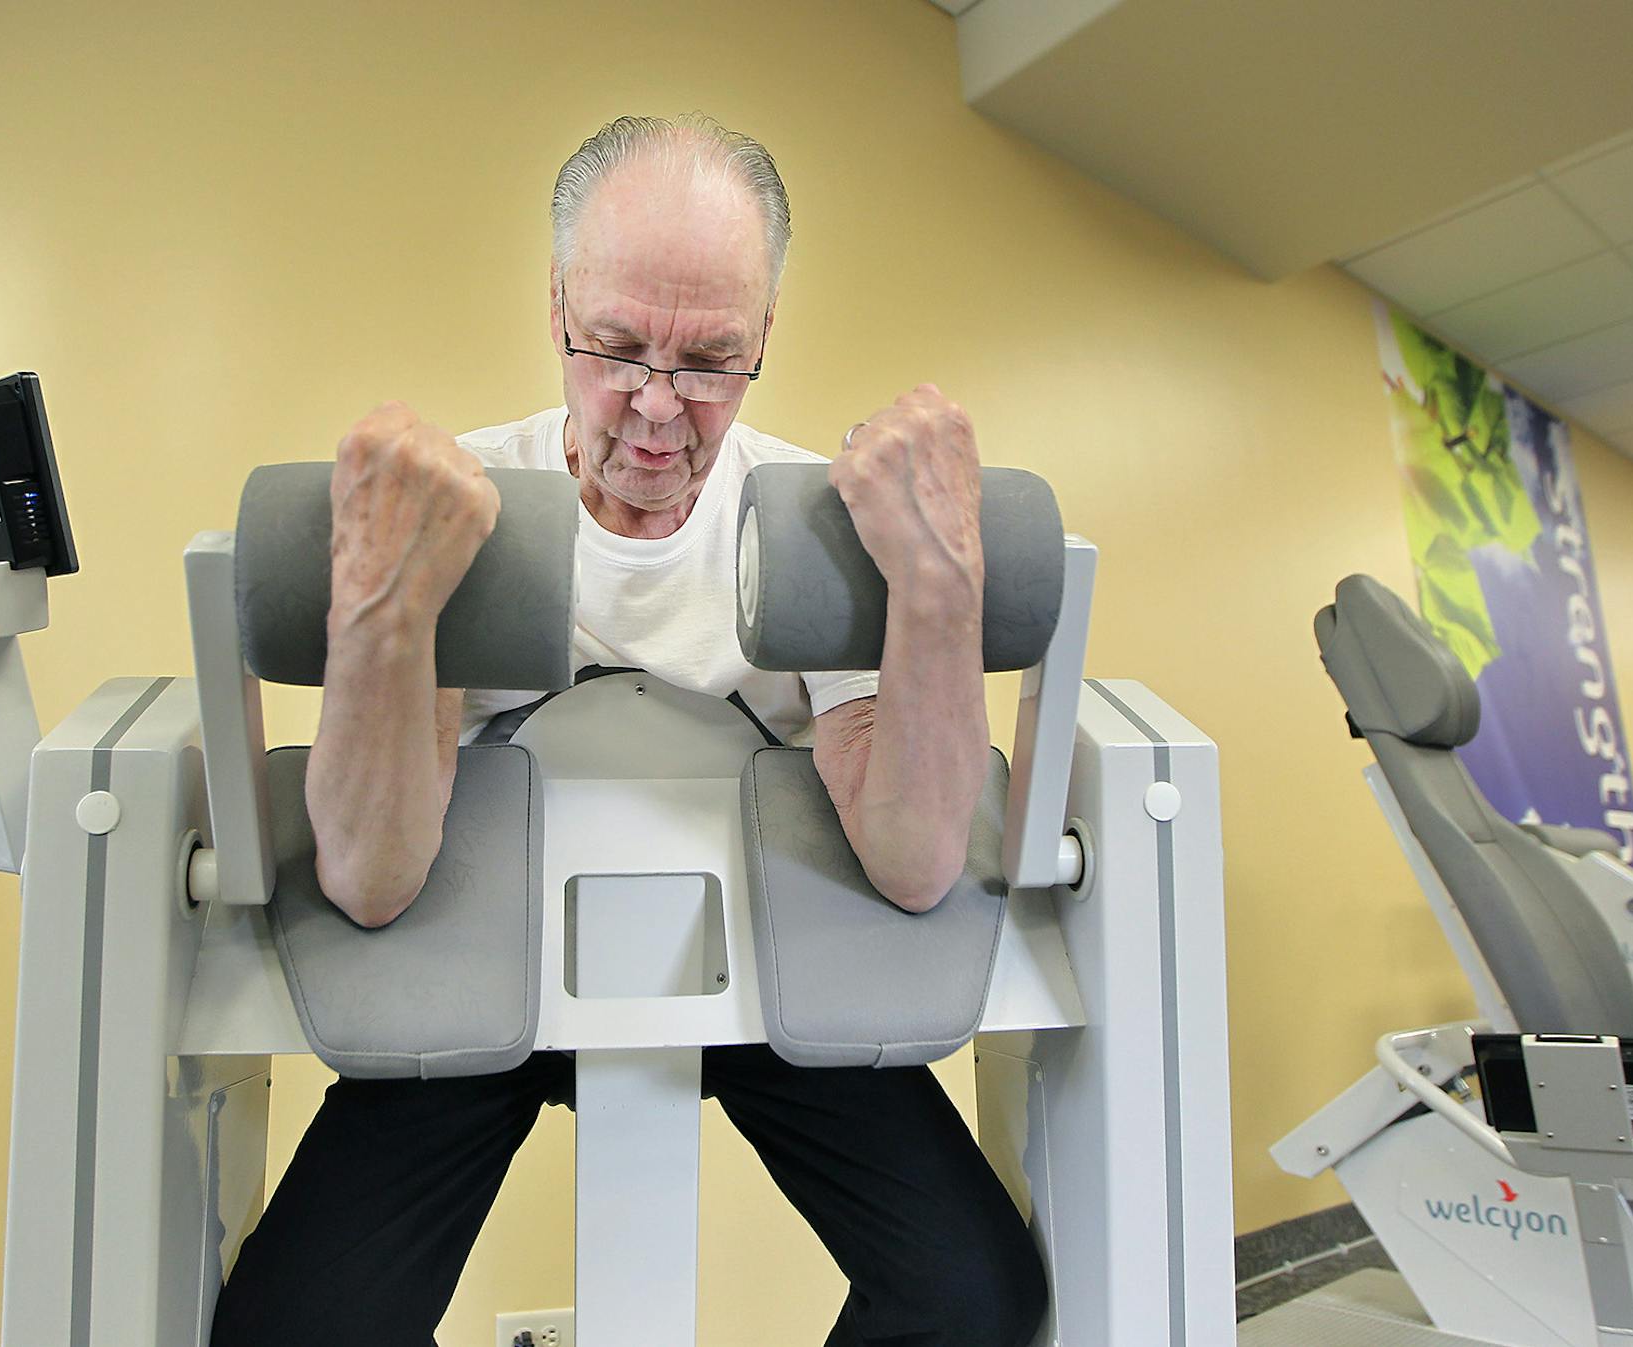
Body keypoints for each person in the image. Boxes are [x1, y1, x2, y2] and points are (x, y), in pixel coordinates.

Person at [209, 113, 1047, 1347]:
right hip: (484, 970)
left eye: (711, 360)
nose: (658, 409)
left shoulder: (823, 524)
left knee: (975, 1296)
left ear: (765, 335)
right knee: (295, 1330)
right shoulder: (463, 511)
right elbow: (373, 882)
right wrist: (384, 603)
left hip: (762, 973)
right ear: (556, 307)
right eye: (616, 347)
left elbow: (916, 862)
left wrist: (936, 584)